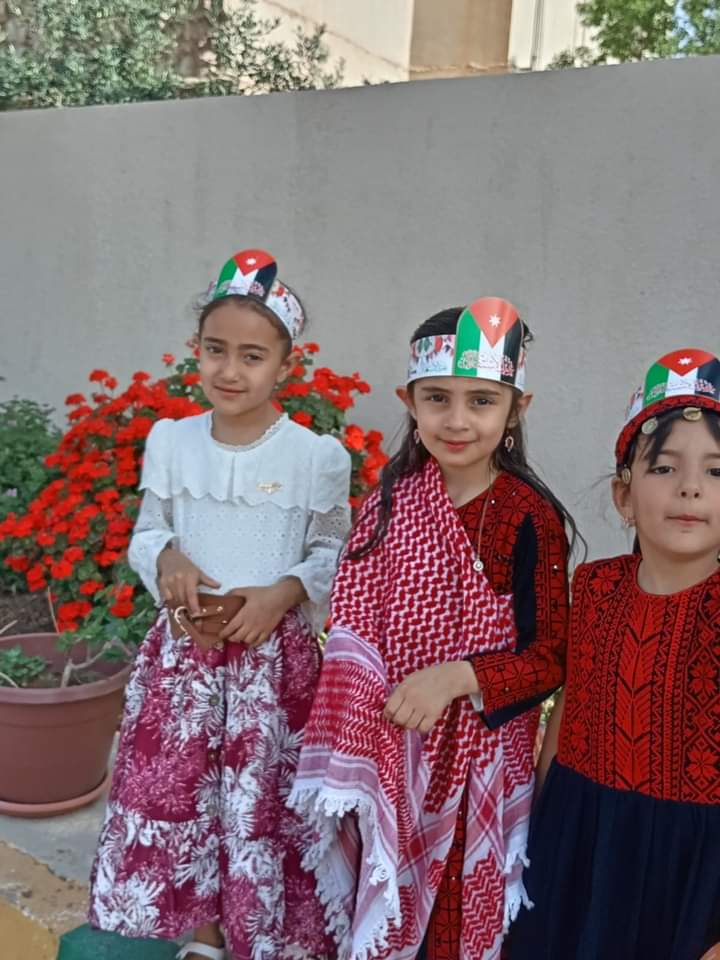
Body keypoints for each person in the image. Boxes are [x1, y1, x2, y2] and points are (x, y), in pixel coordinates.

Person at [289, 298, 578, 960]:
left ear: (516, 410)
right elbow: (352, 625)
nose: (457, 419)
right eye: (437, 398)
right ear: (409, 402)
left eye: (482, 401)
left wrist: (457, 678)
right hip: (390, 743)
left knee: (452, 920)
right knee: (383, 907)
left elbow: (549, 657)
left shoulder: (526, 515)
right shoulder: (389, 502)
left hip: (478, 763)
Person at [89, 249, 351, 960]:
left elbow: (331, 548)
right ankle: (202, 937)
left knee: (260, 798)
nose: (230, 370)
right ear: (196, 351)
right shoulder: (172, 441)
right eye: (215, 350)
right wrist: (167, 559)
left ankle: (265, 934)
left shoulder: (315, 457)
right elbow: (149, 531)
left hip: (271, 666)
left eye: (252, 356)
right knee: (186, 794)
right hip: (187, 661)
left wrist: (284, 592)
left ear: (285, 366)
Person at [509, 348, 720, 960]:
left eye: (716, 471)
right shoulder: (597, 586)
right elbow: (571, 708)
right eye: (665, 467)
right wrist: (538, 822)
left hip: (691, 866)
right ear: (624, 496)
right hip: (580, 838)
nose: (690, 487)